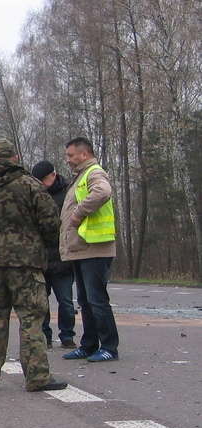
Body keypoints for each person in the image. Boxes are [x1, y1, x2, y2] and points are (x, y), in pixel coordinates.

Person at [0, 139, 67, 392]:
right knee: (31, 320)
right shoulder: (31, 186)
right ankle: (37, 377)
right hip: (26, 266)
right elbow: (51, 224)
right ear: (15, 158)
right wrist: (38, 248)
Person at [60, 136, 119, 362]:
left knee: (97, 300)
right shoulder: (80, 177)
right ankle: (89, 345)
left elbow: (103, 192)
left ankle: (109, 347)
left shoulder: (94, 172)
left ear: (84, 154)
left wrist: (77, 214)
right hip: (83, 248)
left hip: (95, 248)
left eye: (71, 155)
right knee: (85, 302)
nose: (68, 160)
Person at [31, 160, 77, 349]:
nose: (42, 183)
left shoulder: (67, 193)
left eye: (44, 179)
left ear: (53, 175)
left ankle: (67, 336)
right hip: (40, 258)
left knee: (66, 302)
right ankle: (45, 336)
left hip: (62, 257)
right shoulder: (34, 194)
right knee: (42, 303)